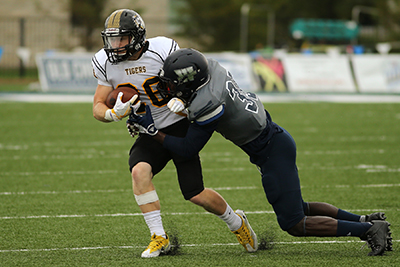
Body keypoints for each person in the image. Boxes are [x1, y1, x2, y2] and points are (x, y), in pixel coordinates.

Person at [127, 48, 393, 256]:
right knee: (298, 208)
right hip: (272, 140)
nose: (170, 88)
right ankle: (365, 219)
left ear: (191, 81)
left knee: (294, 224)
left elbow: (188, 148)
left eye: (174, 84)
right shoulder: (211, 71)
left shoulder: (208, 103)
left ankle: (368, 230)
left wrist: (153, 131)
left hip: (271, 150)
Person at [91, 9, 257, 258]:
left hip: (179, 125)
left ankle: (237, 223)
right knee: (139, 171)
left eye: (121, 39)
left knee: (196, 194)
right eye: (112, 39)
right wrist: (114, 114)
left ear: (136, 37)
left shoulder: (162, 49)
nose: (114, 46)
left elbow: (193, 74)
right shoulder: (104, 61)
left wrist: (184, 99)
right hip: (148, 129)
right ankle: (159, 237)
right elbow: (97, 105)